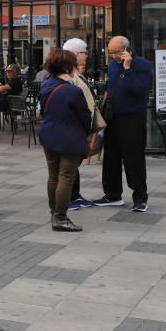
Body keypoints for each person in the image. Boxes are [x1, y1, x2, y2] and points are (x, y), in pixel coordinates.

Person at [96, 36, 153, 212]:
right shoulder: (113, 65)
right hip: (113, 117)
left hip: (132, 117)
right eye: (110, 53)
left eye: (116, 52)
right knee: (111, 157)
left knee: (133, 158)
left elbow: (137, 89)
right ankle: (112, 195)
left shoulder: (141, 65)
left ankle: (140, 198)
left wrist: (127, 68)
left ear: (126, 50)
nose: (113, 56)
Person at [38, 49, 90, 232]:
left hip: (49, 136)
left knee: (53, 175)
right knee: (66, 177)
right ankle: (60, 217)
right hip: (69, 138)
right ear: (69, 67)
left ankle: (54, 213)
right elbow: (85, 116)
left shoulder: (46, 85)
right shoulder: (72, 91)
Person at [62, 39, 98, 210]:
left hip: (79, 127)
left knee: (74, 163)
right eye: (84, 52)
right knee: (70, 164)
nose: (87, 55)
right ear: (76, 55)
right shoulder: (69, 76)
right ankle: (68, 198)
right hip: (73, 128)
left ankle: (74, 195)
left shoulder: (75, 73)